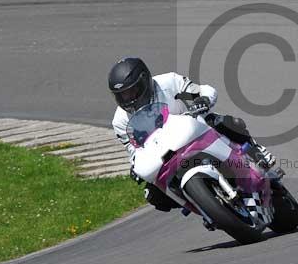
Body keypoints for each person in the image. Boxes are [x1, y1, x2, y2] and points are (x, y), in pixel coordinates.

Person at [108, 57, 275, 211]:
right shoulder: (120, 121)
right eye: (122, 95)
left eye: (132, 91)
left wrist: (203, 99)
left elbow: (203, 91)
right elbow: (134, 150)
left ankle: (256, 150)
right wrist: (135, 166)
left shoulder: (169, 82)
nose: (128, 98)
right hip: (164, 153)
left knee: (222, 121)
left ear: (144, 80)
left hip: (192, 131)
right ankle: (201, 205)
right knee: (152, 195)